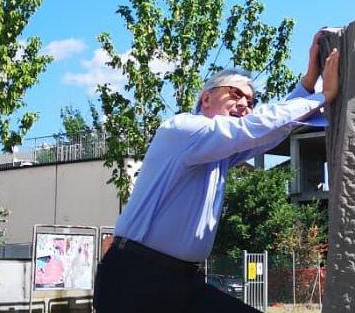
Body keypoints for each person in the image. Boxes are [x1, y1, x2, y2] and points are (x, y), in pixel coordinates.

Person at [93, 35, 340, 313]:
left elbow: (265, 136)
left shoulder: (218, 154)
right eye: (235, 94)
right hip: (135, 279)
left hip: (185, 283)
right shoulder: (183, 129)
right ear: (206, 98)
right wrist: (321, 96)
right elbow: (252, 128)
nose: (245, 104)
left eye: (250, 101)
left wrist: (307, 84)